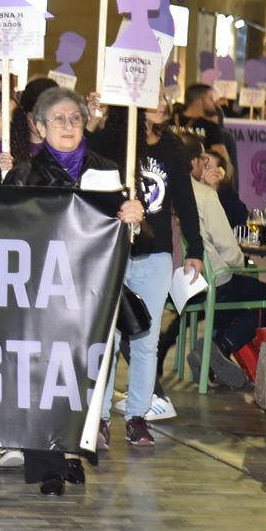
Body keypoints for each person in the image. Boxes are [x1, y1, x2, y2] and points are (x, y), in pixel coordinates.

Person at [3, 87, 145, 495]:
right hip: (40, 293)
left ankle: (70, 451)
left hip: (90, 294)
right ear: (40, 126)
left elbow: (129, 235)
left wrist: (135, 216)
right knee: (40, 374)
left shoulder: (108, 169)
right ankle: (46, 462)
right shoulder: (24, 174)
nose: (68, 126)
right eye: (59, 119)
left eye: (75, 119)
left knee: (80, 374)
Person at [90, 98, 203, 449]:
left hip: (155, 253)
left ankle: (137, 415)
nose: (164, 103)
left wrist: (195, 250)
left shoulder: (171, 148)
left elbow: (185, 200)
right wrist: (94, 121)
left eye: (164, 96)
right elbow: (87, 171)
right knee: (106, 337)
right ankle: (101, 417)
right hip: (114, 250)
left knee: (146, 338)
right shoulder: (111, 142)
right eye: (154, 95)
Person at [158, 133, 266, 391]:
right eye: (202, 158)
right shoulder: (204, 195)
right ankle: (220, 346)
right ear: (193, 161)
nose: (206, 164)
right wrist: (243, 262)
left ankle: (211, 352)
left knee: (233, 296)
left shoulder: (160, 188)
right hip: (209, 281)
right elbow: (228, 251)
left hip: (171, 283)